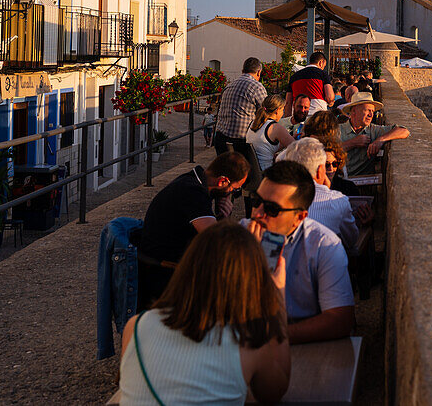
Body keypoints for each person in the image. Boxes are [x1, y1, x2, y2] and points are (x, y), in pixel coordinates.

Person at [119, 223, 290, 405]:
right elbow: (274, 392)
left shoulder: (135, 326)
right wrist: (278, 298)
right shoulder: (250, 342)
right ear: (249, 279)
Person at [244, 161, 354, 343]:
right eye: (256, 201)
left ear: (299, 217)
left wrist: (276, 336)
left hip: (303, 343)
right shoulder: (242, 236)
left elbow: (340, 319)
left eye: (272, 209)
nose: (257, 213)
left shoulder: (323, 245)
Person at [136, 152, 250, 310]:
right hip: (162, 278)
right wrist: (226, 220)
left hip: (161, 268)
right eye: (234, 190)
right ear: (223, 181)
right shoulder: (192, 193)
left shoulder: (191, 179)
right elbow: (218, 242)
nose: (231, 195)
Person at [277, 138, 358, 250]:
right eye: (326, 165)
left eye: (334, 164)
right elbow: (351, 240)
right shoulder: (338, 201)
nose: (330, 169)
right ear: (320, 170)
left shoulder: (277, 199)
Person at [214, 58, 268, 201]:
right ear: (259, 72)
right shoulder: (257, 87)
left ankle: (224, 215)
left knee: (226, 179)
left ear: (242, 70)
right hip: (241, 141)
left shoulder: (229, 85)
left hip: (220, 139)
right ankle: (250, 216)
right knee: (254, 181)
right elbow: (266, 113)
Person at [339, 92, 409, 177]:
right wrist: (353, 143)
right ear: (354, 111)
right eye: (368, 110)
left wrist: (380, 140)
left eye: (372, 111)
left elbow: (404, 131)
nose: (371, 115)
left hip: (364, 185)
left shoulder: (374, 130)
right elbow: (325, 152)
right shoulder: (337, 130)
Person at [247, 95, 295, 172]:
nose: (283, 113)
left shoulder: (253, 123)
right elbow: (297, 148)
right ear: (277, 110)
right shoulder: (275, 127)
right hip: (267, 172)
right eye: (282, 110)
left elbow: (265, 147)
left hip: (253, 172)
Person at [287, 51, 335, 116]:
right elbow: (330, 97)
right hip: (317, 112)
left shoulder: (294, 76)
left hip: (298, 113)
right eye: (324, 66)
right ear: (321, 63)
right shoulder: (323, 74)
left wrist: (287, 119)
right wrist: (331, 102)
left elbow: (288, 102)